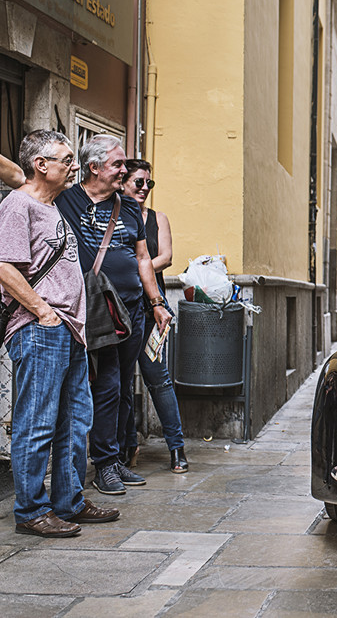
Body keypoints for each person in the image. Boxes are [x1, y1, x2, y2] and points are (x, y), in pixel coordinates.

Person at [0, 126, 172, 496]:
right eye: (118, 164)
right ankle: (36, 505)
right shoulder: (50, 199)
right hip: (59, 320)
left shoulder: (111, 205)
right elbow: (18, 181)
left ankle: (86, 484)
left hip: (108, 316)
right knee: (47, 418)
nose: (125, 172)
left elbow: (144, 257)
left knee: (94, 404)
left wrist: (156, 303)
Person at [0, 126, 120, 536]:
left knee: (76, 423)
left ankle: (68, 502)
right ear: (40, 166)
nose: (74, 166)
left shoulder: (52, 206)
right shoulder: (18, 206)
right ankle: (30, 511)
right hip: (41, 329)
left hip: (69, 332)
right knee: (37, 424)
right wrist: (43, 311)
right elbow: (1, 266)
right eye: (65, 160)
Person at [121, 159, 188, 473]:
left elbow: (166, 257)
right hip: (118, 311)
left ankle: (177, 449)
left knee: (158, 380)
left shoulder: (157, 218)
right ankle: (124, 449)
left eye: (149, 183)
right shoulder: (113, 216)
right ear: (123, 182)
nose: (144, 188)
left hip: (152, 310)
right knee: (117, 383)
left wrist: (136, 265)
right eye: (138, 182)